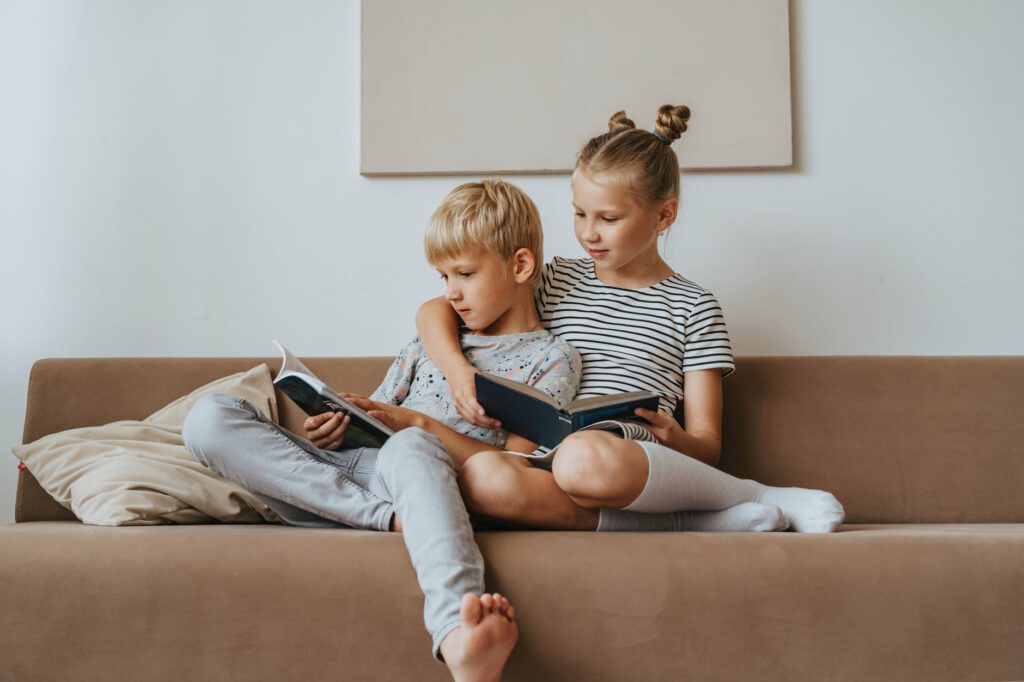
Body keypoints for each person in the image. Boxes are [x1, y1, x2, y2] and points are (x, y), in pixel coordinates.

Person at [183, 179, 580, 682]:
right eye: (442, 277)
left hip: (436, 481)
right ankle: (391, 520)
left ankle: (457, 634)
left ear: (520, 267)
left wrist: (418, 424)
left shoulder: (551, 360)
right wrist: (340, 424)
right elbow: (381, 413)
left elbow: (514, 469)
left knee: (412, 447)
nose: (451, 292)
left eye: (464, 273)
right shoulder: (429, 344)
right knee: (209, 418)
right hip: (355, 476)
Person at [416, 105, 846, 535]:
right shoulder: (556, 279)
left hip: (628, 457)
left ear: (664, 215)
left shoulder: (693, 307)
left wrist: (673, 436)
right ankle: (691, 524)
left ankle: (755, 494)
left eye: (608, 218)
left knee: (580, 457)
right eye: (580, 213)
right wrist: (460, 374)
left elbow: (706, 444)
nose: (588, 232)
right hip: (543, 464)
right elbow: (434, 309)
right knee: (483, 477)